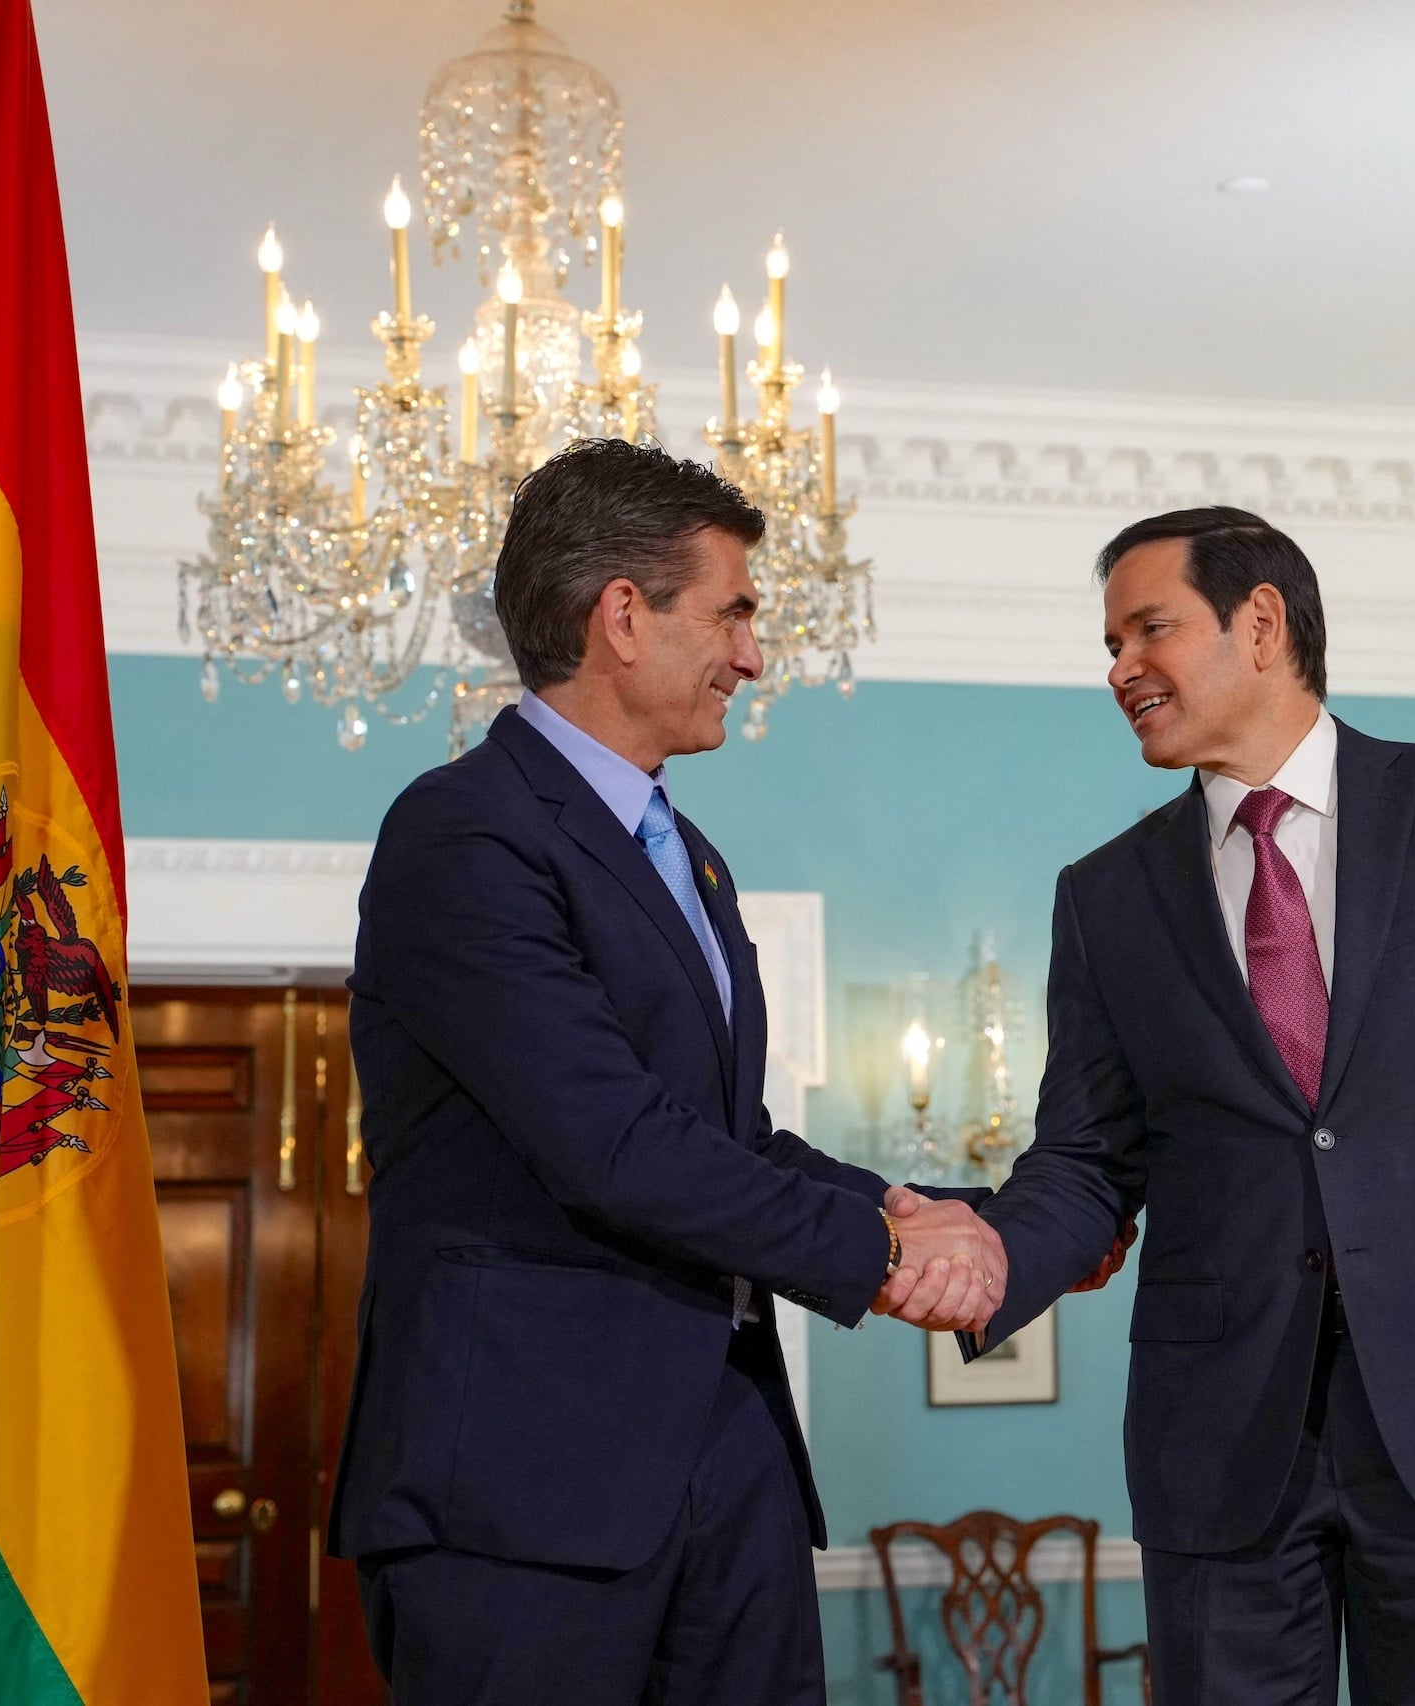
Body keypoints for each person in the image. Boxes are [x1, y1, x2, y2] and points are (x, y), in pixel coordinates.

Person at [968, 507, 1415, 1705]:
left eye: (1149, 629)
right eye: (1109, 643)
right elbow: (1087, 1162)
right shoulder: (1103, 896)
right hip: (1220, 1443)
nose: (1118, 670)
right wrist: (972, 1252)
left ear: (1259, 625)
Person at [326, 440, 1004, 1706]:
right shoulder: (463, 829)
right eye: (735, 610)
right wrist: (889, 1257)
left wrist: (920, 1210)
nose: (754, 653)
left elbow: (727, 1133)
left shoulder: (685, 852)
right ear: (623, 616)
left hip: (729, 1455)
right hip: (524, 1487)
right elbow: (613, 1142)